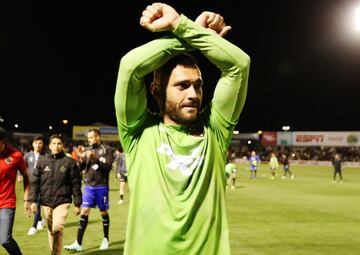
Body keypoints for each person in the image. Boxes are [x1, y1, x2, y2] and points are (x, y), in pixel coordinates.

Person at [114, 3, 250, 254]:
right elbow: (130, 66)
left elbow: (239, 65)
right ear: (156, 91)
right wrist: (193, 33)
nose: (193, 94)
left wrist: (181, 26)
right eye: (182, 86)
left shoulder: (216, 131)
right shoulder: (138, 133)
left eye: (197, 85)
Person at [28, 134, 82, 255]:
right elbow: (35, 182)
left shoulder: (70, 163)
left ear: (63, 146)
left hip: (63, 201)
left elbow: (76, 184)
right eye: (54, 143)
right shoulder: (42, 161)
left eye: (59, 143)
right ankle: (54, 251)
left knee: (58, 228)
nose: (56, 146)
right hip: (46, 202)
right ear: (49, 146)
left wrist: (78, 203)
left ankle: (55, 253)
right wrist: (32, 201)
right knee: (51, 230)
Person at [64, 129, 114, 251]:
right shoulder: (86, 150)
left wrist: (95, 157)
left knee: (103, 211)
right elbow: (80, 168)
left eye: (92, 137)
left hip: (101, 186)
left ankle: (106, 239)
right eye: (88, 138)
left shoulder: (107, 149)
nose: (90, 140)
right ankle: (78, 243)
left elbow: (108, 167)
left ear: (98, 137)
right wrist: (80, 157)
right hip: (88, 187)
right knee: (84, 211)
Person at [0, 127, 31, 255]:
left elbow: (26, 176)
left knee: (5, 240)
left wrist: (26, 199)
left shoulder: (15, 155)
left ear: (2, 141)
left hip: (7, 202)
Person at [23, 135, 46, 235]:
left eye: (40, 143)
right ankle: (41, 220)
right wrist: (20, 175)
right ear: (33, 144)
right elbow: (23, 167)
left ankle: (34, 226)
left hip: (42, 184)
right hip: (31, 184)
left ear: (43, 145)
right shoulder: (27, 155)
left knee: (37, 203)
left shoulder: (46, 157)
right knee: (33, 203)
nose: (38, 145)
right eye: (36, 143)